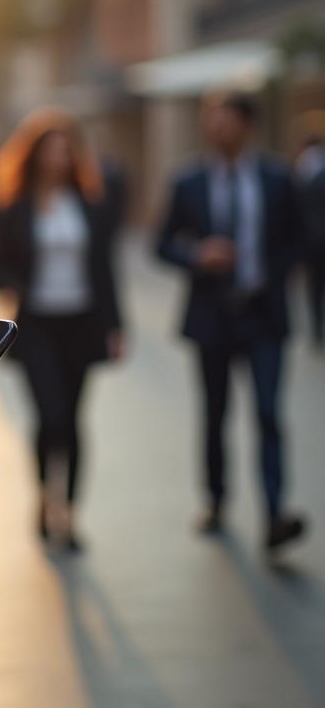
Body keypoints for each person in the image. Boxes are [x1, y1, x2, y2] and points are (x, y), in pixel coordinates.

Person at [155, 90, 307, 553]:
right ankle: (216, 499)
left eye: (223, 120)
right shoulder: (188, 181)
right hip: (212, 316)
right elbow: (161, 244)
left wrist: (270, 270)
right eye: (210, 120)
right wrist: (196, 255)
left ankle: (275, 513)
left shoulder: (278, 179)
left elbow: (301, 238)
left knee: (267, 413)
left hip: (263, 315)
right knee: (215, 413)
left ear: (248, 125)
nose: (214, 129)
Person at [0, 107, 123, 551]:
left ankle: (69, 511)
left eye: (66, 150)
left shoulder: (90, 205)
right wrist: (12, 283)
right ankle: (46, 498)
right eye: (51, 150)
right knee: (51, 417)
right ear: (35, 155)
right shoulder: (16, 206)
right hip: (38, 326)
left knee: (75, 420)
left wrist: (115, 325)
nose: (59, 159)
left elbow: (105, 270)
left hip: (81, 323)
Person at [295, 132, 325, 348]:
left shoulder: (305, 168)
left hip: (314, 240)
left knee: (315, 287)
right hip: (315, 238)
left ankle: (317, 330)